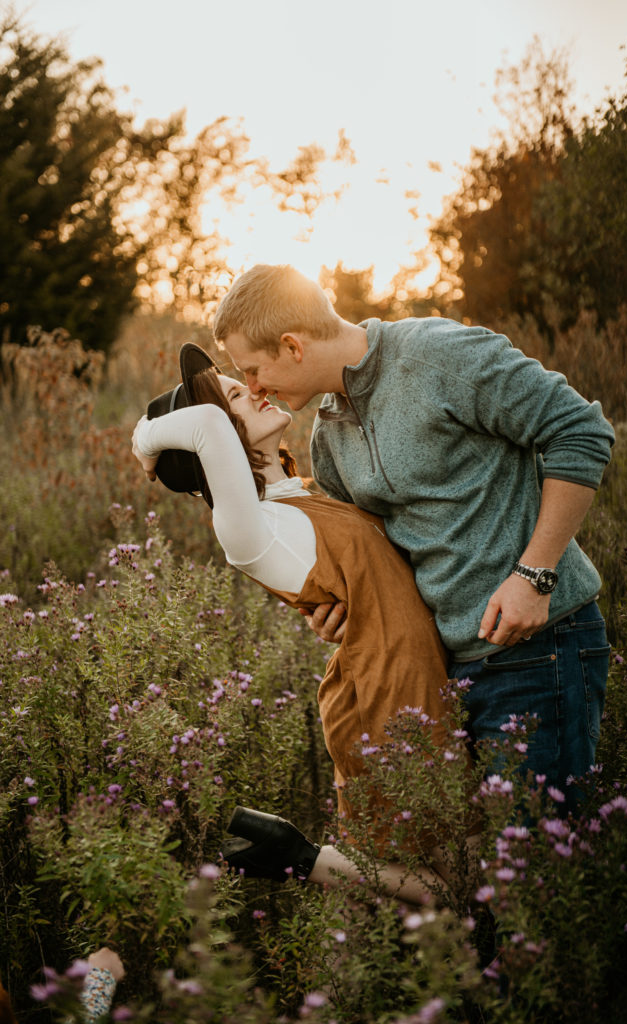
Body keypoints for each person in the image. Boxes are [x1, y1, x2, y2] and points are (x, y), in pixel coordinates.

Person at [212, 264, 616, 810]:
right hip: (443, 673)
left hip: (539, 651)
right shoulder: (328, 438)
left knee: (544, 866)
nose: (256, 389)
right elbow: (382, 557)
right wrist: (340, 611)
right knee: (473, 871)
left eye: (254, 371)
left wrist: (535, 574)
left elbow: (580, 430)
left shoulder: (439, 355)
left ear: (291, 345)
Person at [132, 344, 473, 904]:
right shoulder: (245, 529)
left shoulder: (298, 493)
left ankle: (302, 858)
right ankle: (304, 859)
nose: (254, 390)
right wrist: (145, 439)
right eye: (236, 395)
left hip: (413, 674)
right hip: (388, 697)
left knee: (460, 877)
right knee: (452, 882)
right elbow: (210, 426)